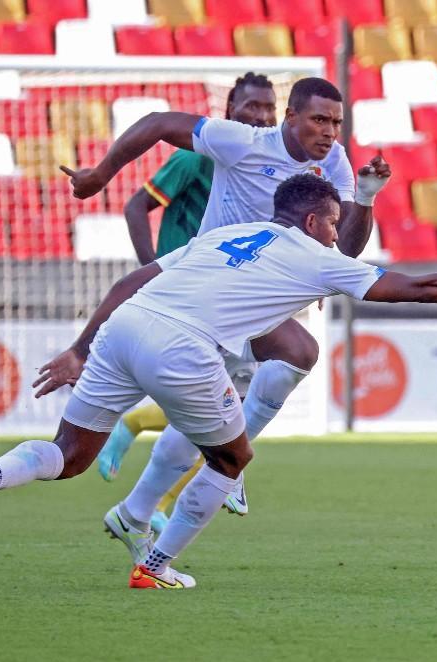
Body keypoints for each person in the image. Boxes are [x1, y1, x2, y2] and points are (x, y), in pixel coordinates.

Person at [0, 173, 437, 589]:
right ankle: (156, 564)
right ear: (311, 219)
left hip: (125, 326)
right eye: (332, 225)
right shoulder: (314, 252)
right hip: (182, 346)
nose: (337, 237)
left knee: (67, 456)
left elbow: (129, 283)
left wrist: (79, 349)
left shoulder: (224, 234)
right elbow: (421, 288)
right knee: (233, 458)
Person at [62, 77, 393, 522]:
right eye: (320, 119)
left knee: (269, 377)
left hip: (263, 298)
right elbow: (160, 123)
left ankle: (145, 504)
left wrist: (366, 198)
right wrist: (101, 174)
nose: (331, 131)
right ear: (291, 117)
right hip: (209, 293)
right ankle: (168, 482)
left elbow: (348, 249)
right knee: (276, 368)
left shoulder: (333, 162)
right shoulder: (240, 142)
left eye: (336, 121)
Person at [97, 71, 278, 528]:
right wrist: (152, 269)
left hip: (233, 294)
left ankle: (153, 474)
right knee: (226, 403)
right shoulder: (201, 158)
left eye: (266, 107)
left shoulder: (269, 167)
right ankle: (159, 489)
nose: (258, 116)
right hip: (188, 292)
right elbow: (136, 204)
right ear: (228, 112)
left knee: (229, 401)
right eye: (249, 106)